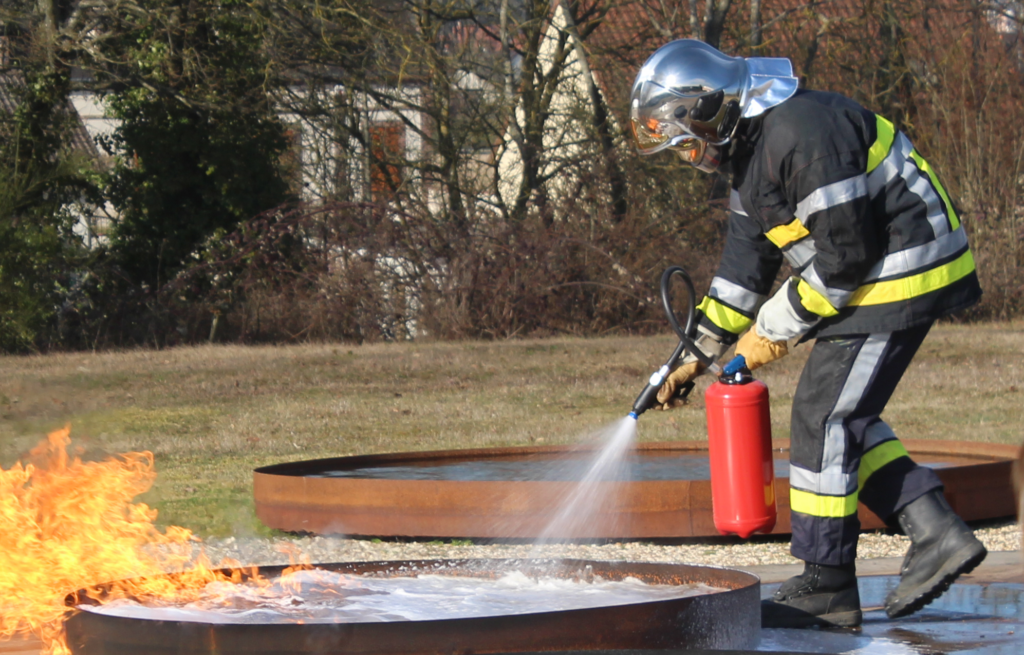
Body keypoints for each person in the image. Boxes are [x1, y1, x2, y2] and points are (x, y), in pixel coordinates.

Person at [629, 39, 987, 628]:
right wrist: (690, 357)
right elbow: (741, 276)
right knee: (842, 414)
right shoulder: (749, 162)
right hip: (877, 272)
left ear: (708, 111)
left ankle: (828, 584)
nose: (689, 157)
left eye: (685, 141)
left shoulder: (800, 132)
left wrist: (768, 335)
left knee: (823, 416)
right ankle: (935, 531)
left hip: (904, 267)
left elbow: (844, 259)